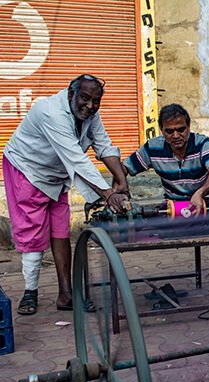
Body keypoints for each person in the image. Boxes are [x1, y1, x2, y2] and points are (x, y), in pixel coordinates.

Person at [2, 74, 130, 315]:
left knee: (60, 230)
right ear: (71, 94)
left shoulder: (91, 115)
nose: (90, 106)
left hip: (56, 174)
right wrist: (107, 194)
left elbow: (103, 146)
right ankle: (30, 292)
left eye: (95, 101)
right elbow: (76, 157)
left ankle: (66, 295)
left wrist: (121, 181)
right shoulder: (50, 112)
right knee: (33, 232)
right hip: (27, 169)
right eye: (84, 98)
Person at [123, 103, 209, 216]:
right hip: (174, 207)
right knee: (143, 216)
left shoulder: (203, 143)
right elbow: (124, 168)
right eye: (169, 131)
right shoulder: (152, 148)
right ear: (161, 130)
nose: (176, 135)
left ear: (189, 127)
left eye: (181, 129)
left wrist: (200, 193)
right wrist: (118, 192)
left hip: (208, 201)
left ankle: (194, 222)